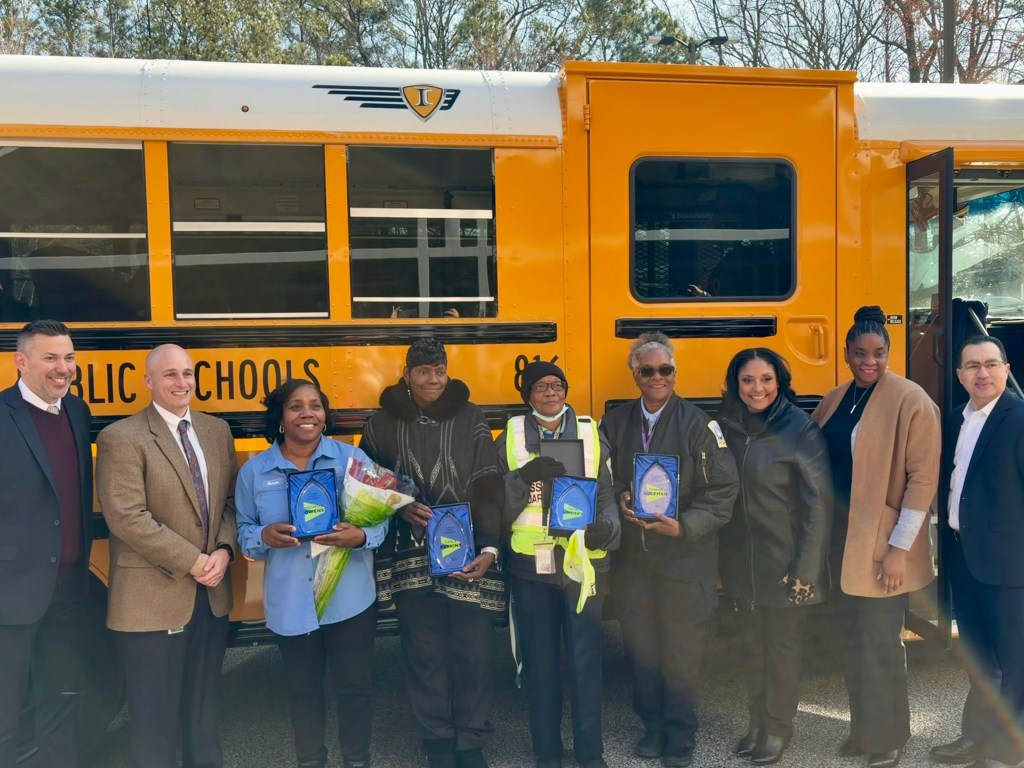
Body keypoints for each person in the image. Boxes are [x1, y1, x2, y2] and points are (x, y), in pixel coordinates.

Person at [361, 338, 504, 768]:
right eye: (423, 371)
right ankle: (437, 742)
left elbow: (489, 485)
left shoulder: (471, 417)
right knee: (424, 654)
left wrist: (490, 546)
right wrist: (399, 505)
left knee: (473, 652)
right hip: (411, 556)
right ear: (407, 375)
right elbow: (365, 484)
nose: (433, 378)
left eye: (439, 370)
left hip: (467, 555)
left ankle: (470, 741)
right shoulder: (381, 423)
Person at [600, 331, 739, 768]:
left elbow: (723, 490)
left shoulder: (700, 425)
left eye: (665, 369)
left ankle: (680, 734)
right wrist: (620, 496)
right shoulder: (615, 423)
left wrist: (685, 526)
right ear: (635, 375)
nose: (657, 377)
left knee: (681, 651)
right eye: (647, 370)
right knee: (641, 648)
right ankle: (652, 727)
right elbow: (600, 477)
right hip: (635, 560)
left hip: (685, 558)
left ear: (675, 373)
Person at [96, 343, 238, 768]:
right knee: (153, 724)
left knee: (203, 716)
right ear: (148, 381)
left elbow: (231, 502)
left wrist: (225, 551)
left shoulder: (216, 431)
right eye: (170, 374)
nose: (182, 382)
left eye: (187, 373)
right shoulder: (121, 437)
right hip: (149, 601)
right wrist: (194, 561)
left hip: (210, 597)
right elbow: (126, 517)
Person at [812, 305, 940, 768]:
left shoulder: (911, 399)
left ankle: (889, 737)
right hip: (840, 541)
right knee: (851, 640)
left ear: (889, 353)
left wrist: (899, 550)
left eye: (879, 353)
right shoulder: (836, 398)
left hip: (883, 544)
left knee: (881, 644)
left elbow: (922, 481)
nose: (870, 362)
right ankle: (864, 730)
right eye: (861, 353)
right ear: (846, 352)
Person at [235, 379, 388, 768]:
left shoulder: (351, 459)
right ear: (280, 417)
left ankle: (357, 761)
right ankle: (311, 761)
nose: (307, 414)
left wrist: (361, 536)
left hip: (349, 598)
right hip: (291, 602)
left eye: (315, 406)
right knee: (303, 693)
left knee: (355, 689)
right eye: (296, 406)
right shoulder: (255, 472)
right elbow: (244, 531)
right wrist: (264, 536)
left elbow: (382, 520)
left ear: (325, 414)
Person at [495, 361, 621, 768]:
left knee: (586, 662)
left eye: (557, 385)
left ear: (566, 390)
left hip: (582, 562)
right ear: (527, 395)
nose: (550, 392)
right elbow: (494, 501)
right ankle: (546, 751)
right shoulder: (511, 435)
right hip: (531, 564)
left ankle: (590, 752)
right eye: (540, 386)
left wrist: (608, 528)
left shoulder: (590, 430)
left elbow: (607, 493)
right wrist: (523, 477)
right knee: (540, 662)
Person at [717, 348, 832, 765]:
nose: (757, 389)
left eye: (766, 379)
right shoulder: (727, 426)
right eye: (747, 380)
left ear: (779, 382)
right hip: (741, 562)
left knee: (782, 651)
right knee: (751, 647)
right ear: (736, 385)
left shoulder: (800, 429)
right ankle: (757, 723)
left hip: (785, 564)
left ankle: (779, 728)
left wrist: (805, 571)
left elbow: (819, 505)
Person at [0, 320, 93, 768]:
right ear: (21, 361)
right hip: (11, 590)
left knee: (60, 704)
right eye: (51, 358)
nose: (63, 368)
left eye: (69, 357)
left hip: (69, 587)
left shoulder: (77, 411)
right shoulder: (3, 414)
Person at [930, 335, 1024, 768]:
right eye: (972, 365)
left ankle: (1008, 750)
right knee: (979, 661)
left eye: (990, 364)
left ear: (1006, 369)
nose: (982, 373)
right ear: (959, 374)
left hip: (1010, 564)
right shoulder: (955, 418)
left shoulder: (1019, 420)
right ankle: (975, 739)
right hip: (964, 558)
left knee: (1015, 662)